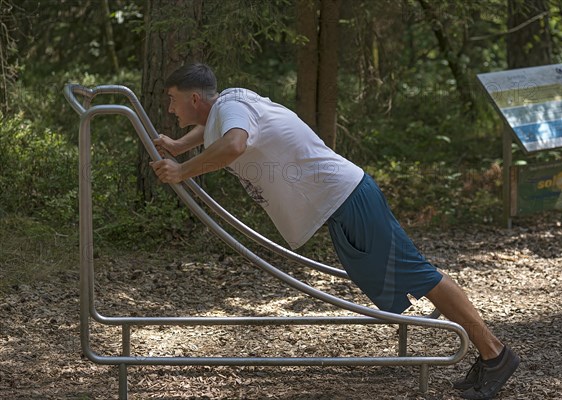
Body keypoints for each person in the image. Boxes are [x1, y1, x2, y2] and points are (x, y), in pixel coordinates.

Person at [150, 63, 519, 399]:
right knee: (409, 276)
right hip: (341, 201)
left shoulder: (231, 110)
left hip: (347, 197)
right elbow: (216, 131)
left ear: (194, 97)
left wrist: (182, 170)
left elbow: (234, 144)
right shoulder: (228, 106)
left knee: (421, 276)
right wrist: (181, 145)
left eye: (172, 100)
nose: (170, 108)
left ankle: (495, 353)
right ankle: (489, 355)